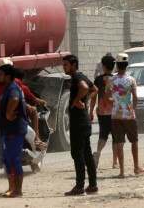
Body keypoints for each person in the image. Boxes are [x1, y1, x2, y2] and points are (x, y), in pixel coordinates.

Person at [0, 59, 47, 148]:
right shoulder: (16, 82)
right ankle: (37, 138)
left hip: (2, 112)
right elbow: (19, 97)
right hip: (15, 111)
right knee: (34, 111)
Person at [62, 54, 99, 196]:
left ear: (74, 65)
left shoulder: (78, 78)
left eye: (66, 65)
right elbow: (94, 89)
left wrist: (78, 100)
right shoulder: (82, 76)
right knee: (87, 153)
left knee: (78, 154)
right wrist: (85, 99)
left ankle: (79, 186)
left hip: (78, 122)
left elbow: (84, 88)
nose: (64, 68)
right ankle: (93, 185)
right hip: (84, 122)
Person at [110, 52, 144, 178]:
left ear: (117, 65)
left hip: (115, 115)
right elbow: (135, 98)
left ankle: (122, 171)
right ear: (126, 65)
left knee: (119, 142)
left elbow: (106, 97)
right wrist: (132, 108)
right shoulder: (131, 80)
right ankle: (136, 167)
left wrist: (116, 103)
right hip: (129, 115)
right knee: (134, 141)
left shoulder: (111, 80)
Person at [0, 63, 27, 198]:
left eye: (0, 75)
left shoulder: (13, 88)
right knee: (7, 160)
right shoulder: (7, 87)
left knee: (14, 159)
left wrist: (8, 113)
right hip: (7, 130)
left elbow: (15, 99)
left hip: (15, 129)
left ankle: (18, 191)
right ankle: (11, 188)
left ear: (7, 76)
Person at [89, 53, 118, 169]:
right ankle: (115, 162)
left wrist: (91, 111)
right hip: (115, 112)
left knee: (103, 135)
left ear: (104, 66)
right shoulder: (116, 79)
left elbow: (94, 96)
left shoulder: (98, 79)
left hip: (102, 111)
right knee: (116, 137)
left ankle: (98, 152)